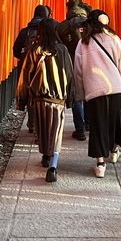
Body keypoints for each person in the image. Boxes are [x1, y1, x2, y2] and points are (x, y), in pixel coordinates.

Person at [73, 10, 121, 178]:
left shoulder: (83, 43)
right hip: (115, 88)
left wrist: (81, 94)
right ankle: (113, 150)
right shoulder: (114, 39)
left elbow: (78, 72)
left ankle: (100, 164)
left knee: (98, 125)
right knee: (114, 120)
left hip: (94, 90)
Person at [16, 19, 75, 182]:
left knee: (42, 130)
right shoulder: (62, 50)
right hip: (57, 98)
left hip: (39, 97)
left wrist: (22, 100)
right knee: (56, 131)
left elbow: (26, 75)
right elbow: (70, 74)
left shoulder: (34, 50)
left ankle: (45, 156)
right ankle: (53, 166)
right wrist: (70, 98)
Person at [13, 5, 51, 132]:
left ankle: (32, 123)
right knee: (44, 94)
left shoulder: (25, 31)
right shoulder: (49, 31)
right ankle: (44, 122)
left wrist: (25, 57)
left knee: (31, 95)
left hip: (28, 67)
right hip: (44, 67)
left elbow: (16, 51)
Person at [57, 0, 90, 140]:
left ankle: (80, 129)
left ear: (68, 9)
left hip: (71, 64)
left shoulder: (63, 26)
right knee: (90, 94)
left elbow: (58, 46)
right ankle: (89, 124)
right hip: (90, 63)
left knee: (76, 96)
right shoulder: (91, 24)